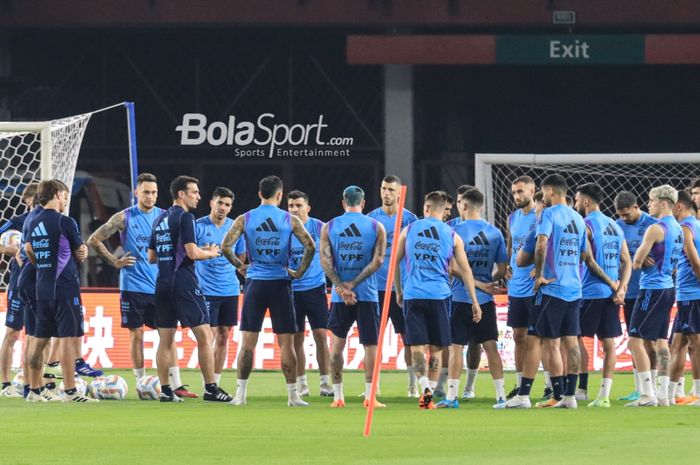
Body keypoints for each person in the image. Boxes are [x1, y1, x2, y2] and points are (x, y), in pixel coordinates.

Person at [87, 173, 194, 396]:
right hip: (132, 286)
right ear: (136, 193)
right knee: (136, 334)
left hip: (159, 286)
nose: (150, 196)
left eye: (154, 192)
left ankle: (177, 384)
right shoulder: (124, 217)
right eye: (146, 192)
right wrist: (115, 261)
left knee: (168, 335)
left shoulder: (165, 217)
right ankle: (141, 382)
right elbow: (93, 240)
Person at [221, 175, 315, 406]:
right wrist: (299, 272)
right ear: (280, 195)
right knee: (286, 343)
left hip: (255, 283)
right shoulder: (288, 219)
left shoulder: (246, 218)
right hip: (281, 282)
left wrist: (240, 267)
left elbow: (225, 246)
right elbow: (310, 246)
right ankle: (293, 396)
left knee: (248, 343)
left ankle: (240, 395)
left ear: (259, 193)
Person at [503, 174, 588, 409]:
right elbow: (584, 253)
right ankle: (568, 397)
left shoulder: (548, 214)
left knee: (534, 340)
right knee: (569, 342)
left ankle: (523, 395)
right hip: (574, 288)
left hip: (552, 288)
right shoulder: (578, 219)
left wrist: (540, 274)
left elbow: (541, 244)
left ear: (549, 192)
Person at [394, 191, 482, 409]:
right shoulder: (452, 235)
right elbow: (466, 270)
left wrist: (398, 290)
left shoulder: (409, 229)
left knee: (416, 347)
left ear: (426, 208)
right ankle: (429, 394)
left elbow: (395, 261)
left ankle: (424, 390)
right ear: (444, 211)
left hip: (414, 294)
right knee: (436, 349)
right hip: (440, 296)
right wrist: (474, 301)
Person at [148, 175, 232, 403]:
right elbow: (193, 254)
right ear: (182, 194)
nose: (198, 196)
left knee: (165, 340)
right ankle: (211, 389)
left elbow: (152, 256)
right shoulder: (186, 217)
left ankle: (165, 391)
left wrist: (191, 250)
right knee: (205, 335)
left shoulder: (159, 219)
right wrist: (210, 253)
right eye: (194, 192)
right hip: (184, 283)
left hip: (162, 283)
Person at [25, 180, 94, 402]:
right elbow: (80, 249)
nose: (65, 200)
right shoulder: (65, 222)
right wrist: (81, 252)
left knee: (39, 339)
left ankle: (34, 390)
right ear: (56, 194)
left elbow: (28, 249)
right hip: (64, 288)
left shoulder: (33, 221)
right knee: (68, 338)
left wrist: (43, 266)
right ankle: (70, 391)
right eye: (64, 195)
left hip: (42, 288)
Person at [437, 188, 506, 408]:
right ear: (482, 207)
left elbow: (452, 268)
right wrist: (486, 284)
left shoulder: (452, 230)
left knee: (456, 347)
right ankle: (501, 396)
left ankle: (451, 397)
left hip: (459, 297)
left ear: (464, 206)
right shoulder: (494, 232)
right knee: (491, 347)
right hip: (485, 300)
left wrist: (473, 285)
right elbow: (503, 269)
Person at [320, 186, 386, 408]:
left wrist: (341, 286)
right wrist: (354, 285)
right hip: (366, 294)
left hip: (340, 297)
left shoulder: (330, 227)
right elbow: (377, 261)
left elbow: (325, 262)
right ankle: (370, 396)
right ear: (364, 203)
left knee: (337, 346)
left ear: (343, 202)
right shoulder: (376, 227)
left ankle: (338, 397)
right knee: (370, 346)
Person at [574, 183, 631, 407]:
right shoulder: (614, 225)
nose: (576, 203)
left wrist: (613, 284)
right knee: (608, 344)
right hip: (611, 295)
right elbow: (627, 260)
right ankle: (604, 395)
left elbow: (588, 260)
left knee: (575, 339)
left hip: (590, 292)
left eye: (578, 199)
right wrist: (621, 287)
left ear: (586, 201)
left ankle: (582, 389)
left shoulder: (585, 225)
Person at [626, 185, 684, 407]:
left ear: (662, 202)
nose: (648, 204)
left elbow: (637, 262)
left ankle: (647, 394)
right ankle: (664, 395)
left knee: (634, 341)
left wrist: (642, 256)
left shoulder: (656, 229)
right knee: (660, 342)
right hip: (669, 288)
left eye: (650, 200)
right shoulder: (677, 228)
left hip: (652, 288)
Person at [367, 175, 418, 397]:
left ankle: (412, 385)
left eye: (390, 190)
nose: (386, 193)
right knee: (373, 340)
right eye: (383, 188)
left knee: (408, 339)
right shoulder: (371, 219)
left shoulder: (410, 220)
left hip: (402, 289)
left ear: (399, 193)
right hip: (375, 287)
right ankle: (372, 386)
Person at [195, 187, 246, 387]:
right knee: (209, 336)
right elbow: (190, 252)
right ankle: (207, 381)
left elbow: (240, 259)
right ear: (211, 203)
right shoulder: (198, 226)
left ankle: (215, 381)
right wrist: (204, 251)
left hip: (230, 290)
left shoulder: (235, 228)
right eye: (220, 203)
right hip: (206, 290)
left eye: (227, 204)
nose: (223, 208)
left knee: (224, 335)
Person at [286, 190, 332, 397]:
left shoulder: (320, 227)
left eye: (298, 205)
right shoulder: (284, 228)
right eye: (291, 206)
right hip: (292, 290)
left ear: (308, 208)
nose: (294, 209)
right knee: (296, 339)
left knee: (321, 335)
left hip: (315, 288)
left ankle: (325, 383)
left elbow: (331, 253)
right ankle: (301, 383)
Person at [614, 191, 659, 401]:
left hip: (649, 290)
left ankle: (654, 385)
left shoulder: (652, 224)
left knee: (649, 341)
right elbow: (618, 258)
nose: (624, 218)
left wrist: (653, 257)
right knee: (636, 340)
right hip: (630, 291)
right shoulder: (617, 226)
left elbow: (665, 251)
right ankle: (639, 387)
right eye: (621, 215)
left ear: (636, 206)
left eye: (627, 214)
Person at [0, 183, 38, 398]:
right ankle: (6, 384)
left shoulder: (50, 222)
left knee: (35, 335)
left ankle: (29, 383)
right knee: (13, 333)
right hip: (18, 283)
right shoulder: (17, 222)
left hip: (41, 284)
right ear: (28, 201)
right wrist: (9, 249)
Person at [504, 176, 537, 398]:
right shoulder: (512, 218)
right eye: (515, 192)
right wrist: (506, 265)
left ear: (533, 191)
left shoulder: (542, 216)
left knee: (540, 338)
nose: (517, 196)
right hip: (516, 286)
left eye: (521, 192)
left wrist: (545, 268)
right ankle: (519, 384)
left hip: (536, 287)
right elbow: (510, 245)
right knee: (518, 335)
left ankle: (548, 384)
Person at [668, 189, 700, 405]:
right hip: (686, 294)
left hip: (691, 293)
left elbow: (694, 262)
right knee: (677, 344)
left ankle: (698, 392)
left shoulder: (685, 228)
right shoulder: (697, 224)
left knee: (695, 343)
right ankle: (672, 392)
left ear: (678, 206)